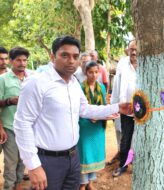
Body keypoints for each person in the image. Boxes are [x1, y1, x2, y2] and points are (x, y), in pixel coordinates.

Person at [13, 36, 132, 190]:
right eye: (65, 55)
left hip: (73, 157)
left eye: (75, 57)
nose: (71, 61)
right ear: (52, 56)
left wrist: (117, 107)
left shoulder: (74, 83)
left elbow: (85, 109)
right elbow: (22, 124)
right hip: (47, 161)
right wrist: (33, 166)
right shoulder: (37, 83)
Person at [0, 47, 32, 190]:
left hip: (28, 128)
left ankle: (18, 186)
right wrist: (9, 101)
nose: (22, 63)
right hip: (9, 127)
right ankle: (8, 187)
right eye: (18, 60)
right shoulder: (3, 79)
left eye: (24, 60)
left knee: (23, 160)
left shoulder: (31, 78)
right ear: (11, 61)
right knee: (11, 162)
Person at [78, 61, 109, 190]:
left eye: (96, 72)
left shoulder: (101, 86)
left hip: (97, 126)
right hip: (84, 125)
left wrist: (102, 115)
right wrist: (90, 116)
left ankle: (90, 182)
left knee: (95, 153)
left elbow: (104, 104)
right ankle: (82, 183)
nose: (94, 75)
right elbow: (78, 107)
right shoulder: (79, 87)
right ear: (86, 73)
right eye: (91, 72)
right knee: (85, 154)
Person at [112, 40, 137, 177]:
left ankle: (139, 165)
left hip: (143, 112)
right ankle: (123, 165)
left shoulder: (146, 63)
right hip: (126, 110)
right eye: (131, 49)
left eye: (136, 49)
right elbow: (116, 86)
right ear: (127, 50)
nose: (133, 52)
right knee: (125, 138)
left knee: (141, 139)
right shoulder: (122, 63)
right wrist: (115, 105)